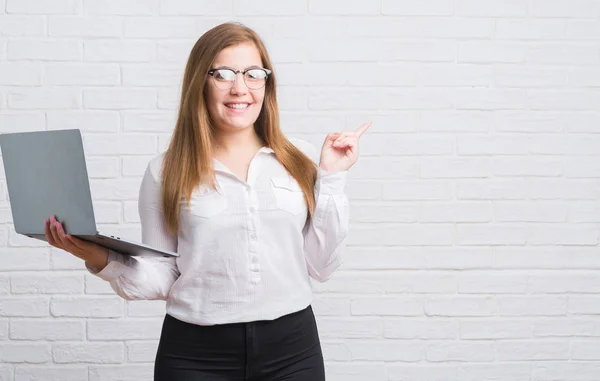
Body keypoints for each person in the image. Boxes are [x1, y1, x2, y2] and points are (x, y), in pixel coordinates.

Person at [43, 22, 370, 381]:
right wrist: (94, 255)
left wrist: (332, 178)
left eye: (253, 74)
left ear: (267, 83)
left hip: (293, 350)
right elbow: (163, 275)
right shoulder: (165, 171)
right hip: (195, 355)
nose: (240, 88)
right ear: (201, 81)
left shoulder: (300, 159)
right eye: (224, 74)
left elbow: (321, 266)